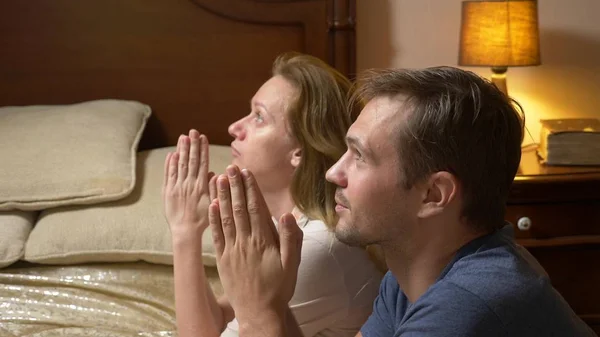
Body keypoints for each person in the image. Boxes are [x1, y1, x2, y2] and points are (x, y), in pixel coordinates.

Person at [207, 66, 597, 336]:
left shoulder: (468, 305)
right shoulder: (414, 273)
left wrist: (256, 307)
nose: (332, 173)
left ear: (433, 195)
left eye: (359, 157)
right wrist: (272, 304)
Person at [162, 52, 383, 337]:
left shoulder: (318, 247)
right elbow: (216, 320)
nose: (234, 128)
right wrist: (190, 230)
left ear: (299, 151)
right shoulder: (290, 226)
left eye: (258, 117)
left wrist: (182, 232)